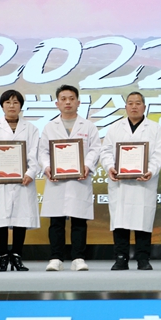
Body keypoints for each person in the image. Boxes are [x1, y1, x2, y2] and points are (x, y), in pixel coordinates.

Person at [100, 92, 161, 271]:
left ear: (144, 106)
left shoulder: (154, 128)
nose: (134, 106)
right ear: (126, 107)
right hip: (120, 184)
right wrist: (110, 167)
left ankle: (143, 259)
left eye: (138, 103)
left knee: (143, 220)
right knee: (120, 221)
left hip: (144, 183)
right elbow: (105, 152)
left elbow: (159, 154)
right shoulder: (115, 128)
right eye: (130, 103)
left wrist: (150, 170)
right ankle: (121, 258)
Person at [39, 84, 101, 271]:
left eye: (72, 99)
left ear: (78, 102)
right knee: (56, 222)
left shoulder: (88, 126)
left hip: (79, 180)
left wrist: (86, 165)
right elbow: (43, 152)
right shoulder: (50, 127)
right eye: (63, 99)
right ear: (57, 103)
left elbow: (95, 149)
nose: (68, 102)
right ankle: (56, 258)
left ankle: (78, 258)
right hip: (57, 180)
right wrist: (47, 167)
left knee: (79, 221)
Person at [0, 90, 40, 271]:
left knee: (21, 218)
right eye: (8, 102)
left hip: (23, 180)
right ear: (2, 106)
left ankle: (17, 256)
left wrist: (30, 172)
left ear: (21, 106)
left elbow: (34, 155)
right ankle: (3, 257)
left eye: (15, 102)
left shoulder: (31, 129)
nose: (12, 106)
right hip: (0, 181)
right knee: (1, 219)